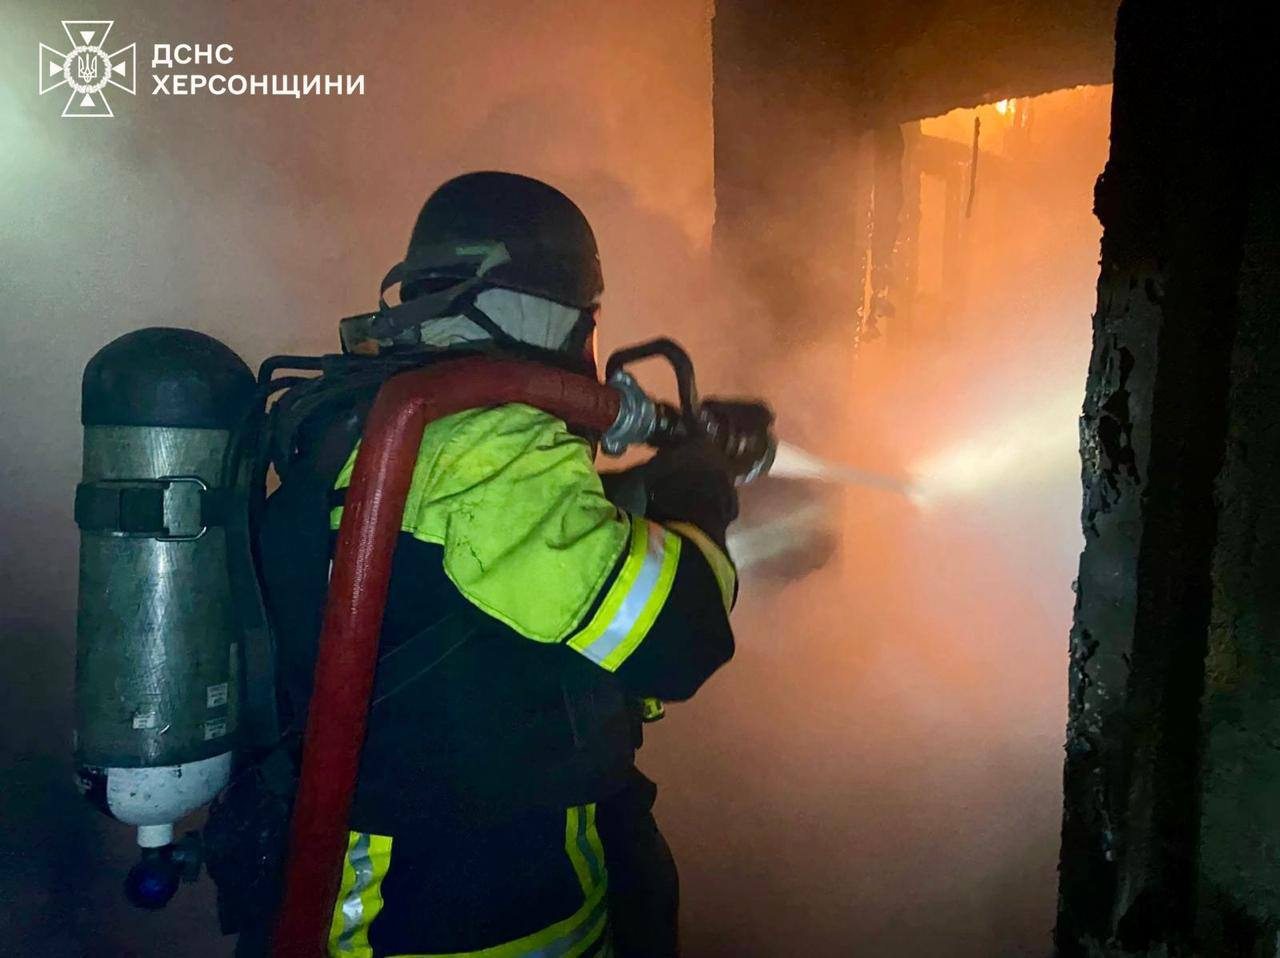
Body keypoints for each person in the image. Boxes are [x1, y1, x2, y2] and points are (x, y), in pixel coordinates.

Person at [254, 171, 740, 957]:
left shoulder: (384, 416)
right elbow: (680, 639)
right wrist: (703, 499)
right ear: (556, 312)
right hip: (465, 913)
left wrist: (656, 486)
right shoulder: (487, 446)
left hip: (391, 887)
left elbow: (486, 584)